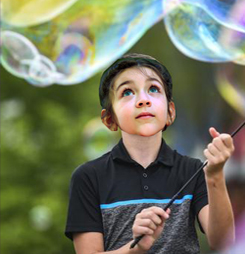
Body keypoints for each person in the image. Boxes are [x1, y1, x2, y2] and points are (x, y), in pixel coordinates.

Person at [65, 53, 235, 254]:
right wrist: (134, 249)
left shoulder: (193, 170)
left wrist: (215, 175)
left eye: (153, 89)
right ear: (110, 119)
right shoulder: (88, 177)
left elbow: (224, 243)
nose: (143, 100)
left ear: (170, 112)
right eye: (127, 92)